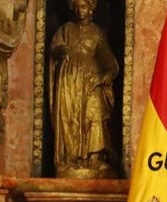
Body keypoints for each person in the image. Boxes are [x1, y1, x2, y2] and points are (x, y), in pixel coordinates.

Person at [48, 0, 120, 178]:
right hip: (69, 81)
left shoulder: (97, 33)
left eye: (84, 7)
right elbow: (53, 50)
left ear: (91, 9)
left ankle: (95, 157)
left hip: (91, 81)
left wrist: (107, 75)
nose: (81, 11)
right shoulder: (65, 30)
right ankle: (71, 158)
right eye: (78, 7)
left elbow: (109, 61)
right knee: (69, 117)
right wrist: (60, 51)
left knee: (95, 114)